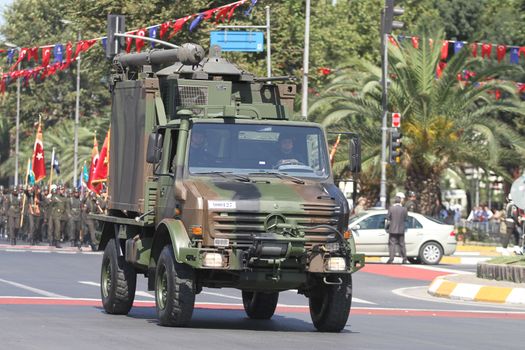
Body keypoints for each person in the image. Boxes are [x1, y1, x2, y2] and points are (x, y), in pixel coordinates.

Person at [386, 192, 408, 264]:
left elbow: (387, 218)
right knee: (402, 244)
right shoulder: (404, 209)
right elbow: (405, 218)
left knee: (392, 244)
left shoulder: (391, 208)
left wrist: (387, 227)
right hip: (401, 230)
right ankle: (404, 258)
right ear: (400, 201)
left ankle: (391, 259)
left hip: (392, 230)